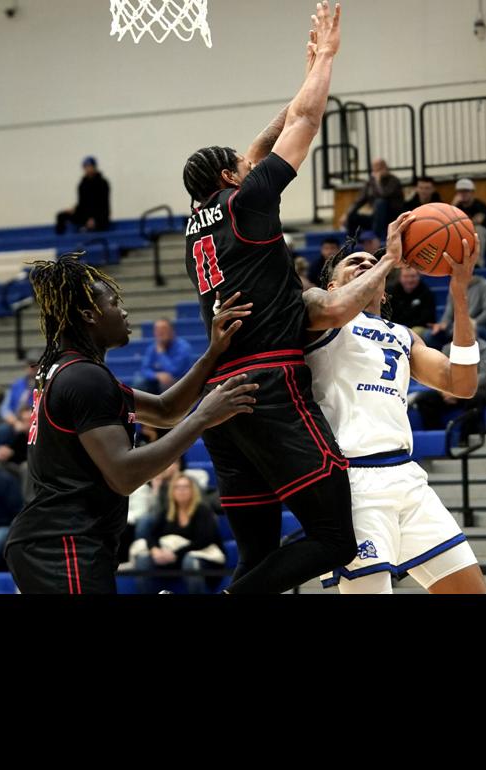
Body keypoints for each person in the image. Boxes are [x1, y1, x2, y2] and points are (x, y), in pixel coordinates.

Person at [176, 1, 395, 594]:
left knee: (258, 556)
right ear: (232, 179)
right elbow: (304, 122)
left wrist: (301, 80)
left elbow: (260, 144)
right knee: (334, 538)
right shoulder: (248, 203)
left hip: (219, 400)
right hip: (267, 386)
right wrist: (324, 58)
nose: (250, 167)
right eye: (241, 167)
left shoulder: (199, 223)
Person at [2, 254, 255, 594]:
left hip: (62, 539)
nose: (122, 310)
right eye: (113, 302)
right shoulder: (84, 379)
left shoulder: (72, 371)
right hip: (62, 541)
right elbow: (124, 475)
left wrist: (212, 353)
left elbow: (166, 410)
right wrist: (204, 418)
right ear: (89, 315)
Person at [300, 235, 486, 594]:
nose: (366, 265)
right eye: (354, 263)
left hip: (406, 477)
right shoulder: (319, 316)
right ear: (333, 286)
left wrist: (460, 295)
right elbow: (334, 308)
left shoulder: (403, 336)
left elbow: (462, 383)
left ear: (384, 294)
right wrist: (388, 258)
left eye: (372, 265)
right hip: (352, 480)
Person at [131, 473, 228, 593]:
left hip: (202, 558)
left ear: (193, 490)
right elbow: (151, 535)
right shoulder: (168, 510)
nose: (181, 491)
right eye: (177, 487)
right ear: (172, 491)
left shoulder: (202, 510)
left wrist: (175, 553)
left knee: (190, 561)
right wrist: (155, 550)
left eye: (185, 487)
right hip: (170, 558)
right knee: (143, 560)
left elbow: (205, 540)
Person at [423, 240, 486, 349]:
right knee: (429, 336)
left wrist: (473, 322)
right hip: (457, 326)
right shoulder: (454, 286)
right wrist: (442, 324)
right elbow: (449, 312)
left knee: (467, 332)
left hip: (482, 326)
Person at [132, 318, 198, 394]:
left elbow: (175, 372)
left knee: (166, 383)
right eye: (157, 329)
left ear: (172, 332)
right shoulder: (152, 348)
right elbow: (144, 369)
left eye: (163, 329)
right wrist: (157, 375)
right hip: (158, 382)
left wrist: (161, 353)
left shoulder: (183, 348)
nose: (160, 332)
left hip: (179, 382)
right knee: (139, 382)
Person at [342, 158, 404, 238]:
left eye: (380, 168)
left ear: (386, 168)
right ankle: (353, 241)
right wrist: (347, 214)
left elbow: (383, 195)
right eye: (375, 168)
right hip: (376, 217)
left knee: (380, 202)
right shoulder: (371, 182)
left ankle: (376, 237)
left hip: (392, 216)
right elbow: (359, 201)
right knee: (352, 216)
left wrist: (378, 181)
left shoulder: (394, 181)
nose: (378, 171)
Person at [56, 156, 112, 234]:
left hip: (100, 214)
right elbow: (82, 202)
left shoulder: (102, 183)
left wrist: (93, 218)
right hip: (85, 214)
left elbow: (102, 204)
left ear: (95, 167)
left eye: (90, 166)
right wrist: (74, 209)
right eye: (86, 167)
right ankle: (60, 239)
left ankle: (88, 228)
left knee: (98, 220)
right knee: (61, 215)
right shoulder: (82, 184)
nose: (88, 169)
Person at [386, 265, 438, 336]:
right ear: (400, 278)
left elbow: (427, 318)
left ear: (419, 277)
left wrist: (405, 327)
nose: (410, 280)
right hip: (396, 327)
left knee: (414, 332)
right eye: (406, 276)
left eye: (413, 276)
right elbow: (388, 315)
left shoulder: (426, 292)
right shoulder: (390, 292)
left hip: (418, 328)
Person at [451, 179, 486, 253]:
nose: (463, 194)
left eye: (466, 191)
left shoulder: (480, 205)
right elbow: (447, 222)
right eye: (460, 191)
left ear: (472, 193)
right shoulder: (457, 208)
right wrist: (452, 206)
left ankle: (478, 263)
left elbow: (477, 221)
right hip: (470, 240)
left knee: (477, 229)